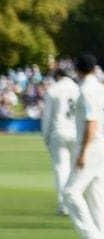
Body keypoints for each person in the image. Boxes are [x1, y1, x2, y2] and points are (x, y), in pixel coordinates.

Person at [64, 54, 104, 239]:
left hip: (92, 145)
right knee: (95, 195)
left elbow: (91, 123)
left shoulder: (87, 90)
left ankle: (90, 235)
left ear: (78, 70)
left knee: (70, 192)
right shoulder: (99, 87)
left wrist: (84, 152)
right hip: (100, 145)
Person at [41, 63, 81, 213]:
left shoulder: (53, 89)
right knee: (75, 170)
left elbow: (47, 117)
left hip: (58, 131)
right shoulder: (77, 89)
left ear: (58, 76)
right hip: (76, 132)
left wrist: (45, 137)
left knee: (61, 169)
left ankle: (64, 205)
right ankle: (76, 202)